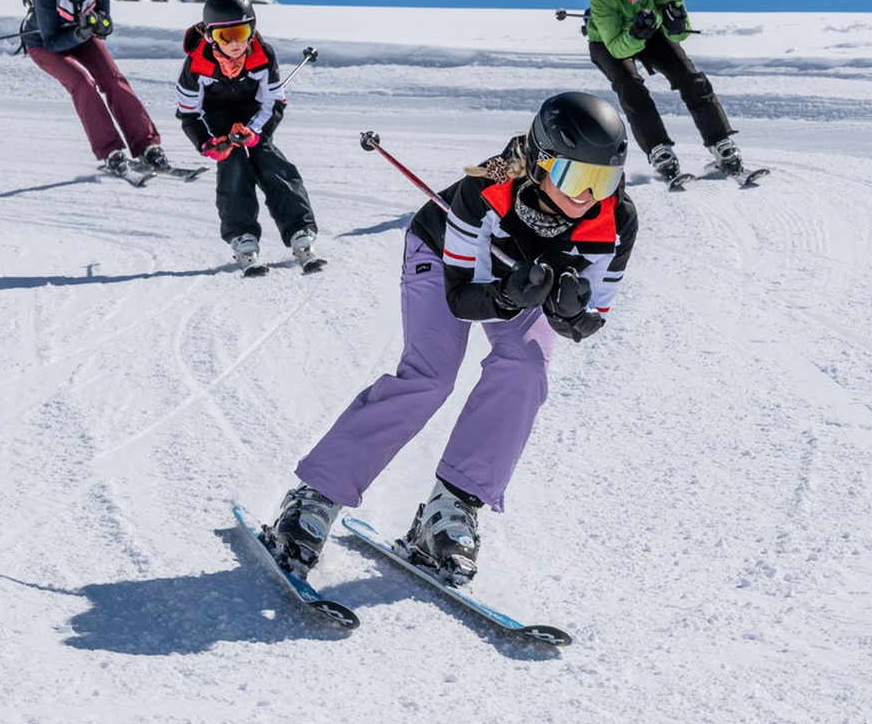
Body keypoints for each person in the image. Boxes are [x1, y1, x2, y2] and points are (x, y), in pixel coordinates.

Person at [265, 92, 638, 585]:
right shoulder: (485, 189)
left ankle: (451, 509)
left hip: (521, 283)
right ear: (543, 160)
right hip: (442, 256)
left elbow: (590, 317)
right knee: (430, 376)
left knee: (525, 367)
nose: (588, 195)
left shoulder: (617, 219)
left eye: (603, 179)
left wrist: (570, 311)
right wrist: (508, 294)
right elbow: (462, 297)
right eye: (576, 176)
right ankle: (315, 495)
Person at [584, 0, 751, 185]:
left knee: (690, 77)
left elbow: (680, 30)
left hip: (650, 31)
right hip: (609, 40)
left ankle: (721, 141)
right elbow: (616, 46)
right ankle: (658, 149)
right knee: (630, 86)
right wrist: (636, 35)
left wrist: (676, 25)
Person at [175, 0, 322, 272]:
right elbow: (189, 112)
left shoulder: (262, 56)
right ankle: (242, 234)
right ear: (209, 36)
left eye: (241, 32)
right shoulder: (195, 66)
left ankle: (299, 229)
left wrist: (256, 132)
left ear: (252, 30)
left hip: (251, 111)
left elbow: (274, 101)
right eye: (224, 37)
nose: (234, 44)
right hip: (214, 116)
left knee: (267, 157)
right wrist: (208, 142)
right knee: (232, 163)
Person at [21, 0, 173, 178]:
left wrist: (100, 26)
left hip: (81, 36)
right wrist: (82, 33)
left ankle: (146, 146)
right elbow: (52, 41)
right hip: (44, 45)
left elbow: (105, 23)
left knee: (113, 79)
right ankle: (111, 151)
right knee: (82, 83)